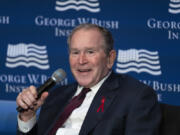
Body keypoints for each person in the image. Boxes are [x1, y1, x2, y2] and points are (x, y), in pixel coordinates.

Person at [16, 23, 161, 135]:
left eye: (90, 52)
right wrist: (27, 116)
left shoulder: (135, 97)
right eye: (75, 52)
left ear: (110, 58)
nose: (81, 60)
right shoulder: (56, 96)